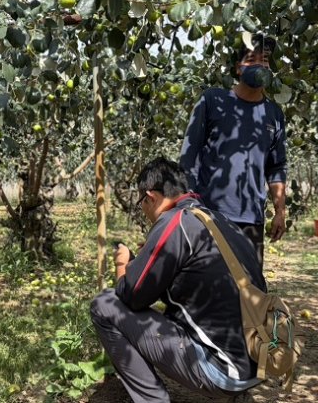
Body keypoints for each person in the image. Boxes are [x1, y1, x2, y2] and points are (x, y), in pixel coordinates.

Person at [90, 157, 264, 403]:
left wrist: (122, 265)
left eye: (142, 203)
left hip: (223, 371)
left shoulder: (173, 223)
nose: (143, 210)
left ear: (150, 197)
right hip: (258, 361)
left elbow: (131, 296)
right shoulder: (220, 220)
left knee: (104, 304)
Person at [180, 34, 287, 266]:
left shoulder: (273, 114)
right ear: (238, 68)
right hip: (210, 216)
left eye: (265, 60)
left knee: (251, 292)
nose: (260, 65)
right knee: (210, 289)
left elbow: (276, 167)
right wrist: (190, 205)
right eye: (251, 59)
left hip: (252, 220)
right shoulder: (213, 100)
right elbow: (190, 154)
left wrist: (280, 211)